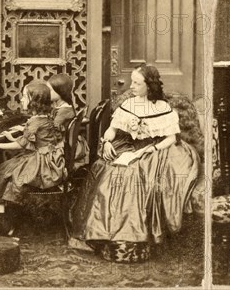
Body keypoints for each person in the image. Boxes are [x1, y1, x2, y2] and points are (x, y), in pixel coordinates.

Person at [70, 64, 199, 263]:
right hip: (129, 146)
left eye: (137, 83)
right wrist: (106, 142)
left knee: (132, 174)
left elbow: (171, 139)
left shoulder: (163, 108)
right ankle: (104, 234)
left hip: (156, 149)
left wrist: (149, 150)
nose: (132, 86)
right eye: (132, 82)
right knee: (109, 169)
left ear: (149, 86)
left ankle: (132, 238)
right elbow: (112, 129)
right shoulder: (129, 104)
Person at [0, 82, 65, 232]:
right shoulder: (46, 117)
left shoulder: (34, 121)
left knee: (5, 171)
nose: (21, 100)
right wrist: (12, 136)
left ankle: (2, 217)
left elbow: (22, 145)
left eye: (24, 97)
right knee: (8, 168)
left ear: (34, 101)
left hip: (41, 164)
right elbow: (34, 139)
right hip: (50, 159)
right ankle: (4, 212)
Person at [47, 74, 89, 169]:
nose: (47, 92)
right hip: (61, 144)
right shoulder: (63, 107)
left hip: (61, 148)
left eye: (49, 90)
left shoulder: (64, 111)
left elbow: (50, 132)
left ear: (60, 91)